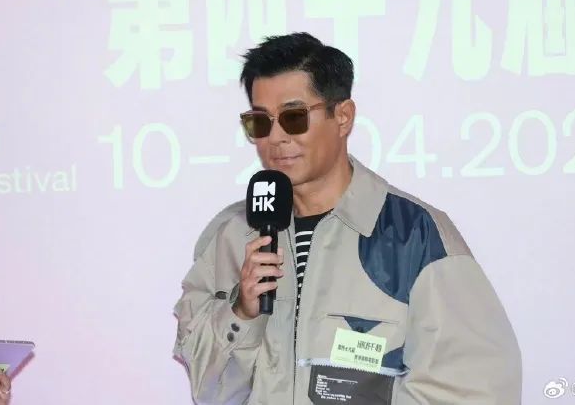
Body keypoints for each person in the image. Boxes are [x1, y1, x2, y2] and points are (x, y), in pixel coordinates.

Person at [173, 32, 522, 404]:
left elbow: (477, 387)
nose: (275, 138)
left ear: (342, 117)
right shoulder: (231, 235)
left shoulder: (416, 236)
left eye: (293, 117)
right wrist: (241, 312)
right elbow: (209, 390)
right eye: (260, 122)